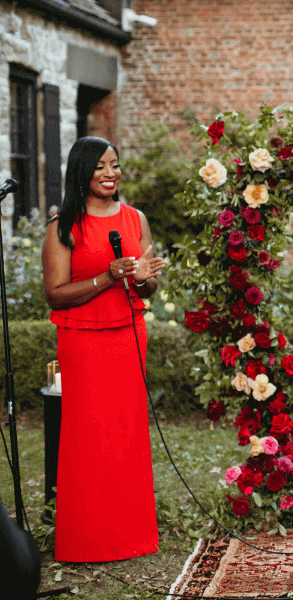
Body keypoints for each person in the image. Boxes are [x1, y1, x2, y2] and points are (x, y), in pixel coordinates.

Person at [42, 136, 165, 562]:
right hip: (84, 341)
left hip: (128, 336)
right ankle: (87, 539)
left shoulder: (135, 220)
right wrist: (107, 278)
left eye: (115, 165)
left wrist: (145, 277)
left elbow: (148, 285)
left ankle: (131, 535)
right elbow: (55, 295)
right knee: (88, 436)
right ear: (82, 172)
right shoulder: (63, 227)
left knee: (126, 433)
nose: (110, 173)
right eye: (100, 167)